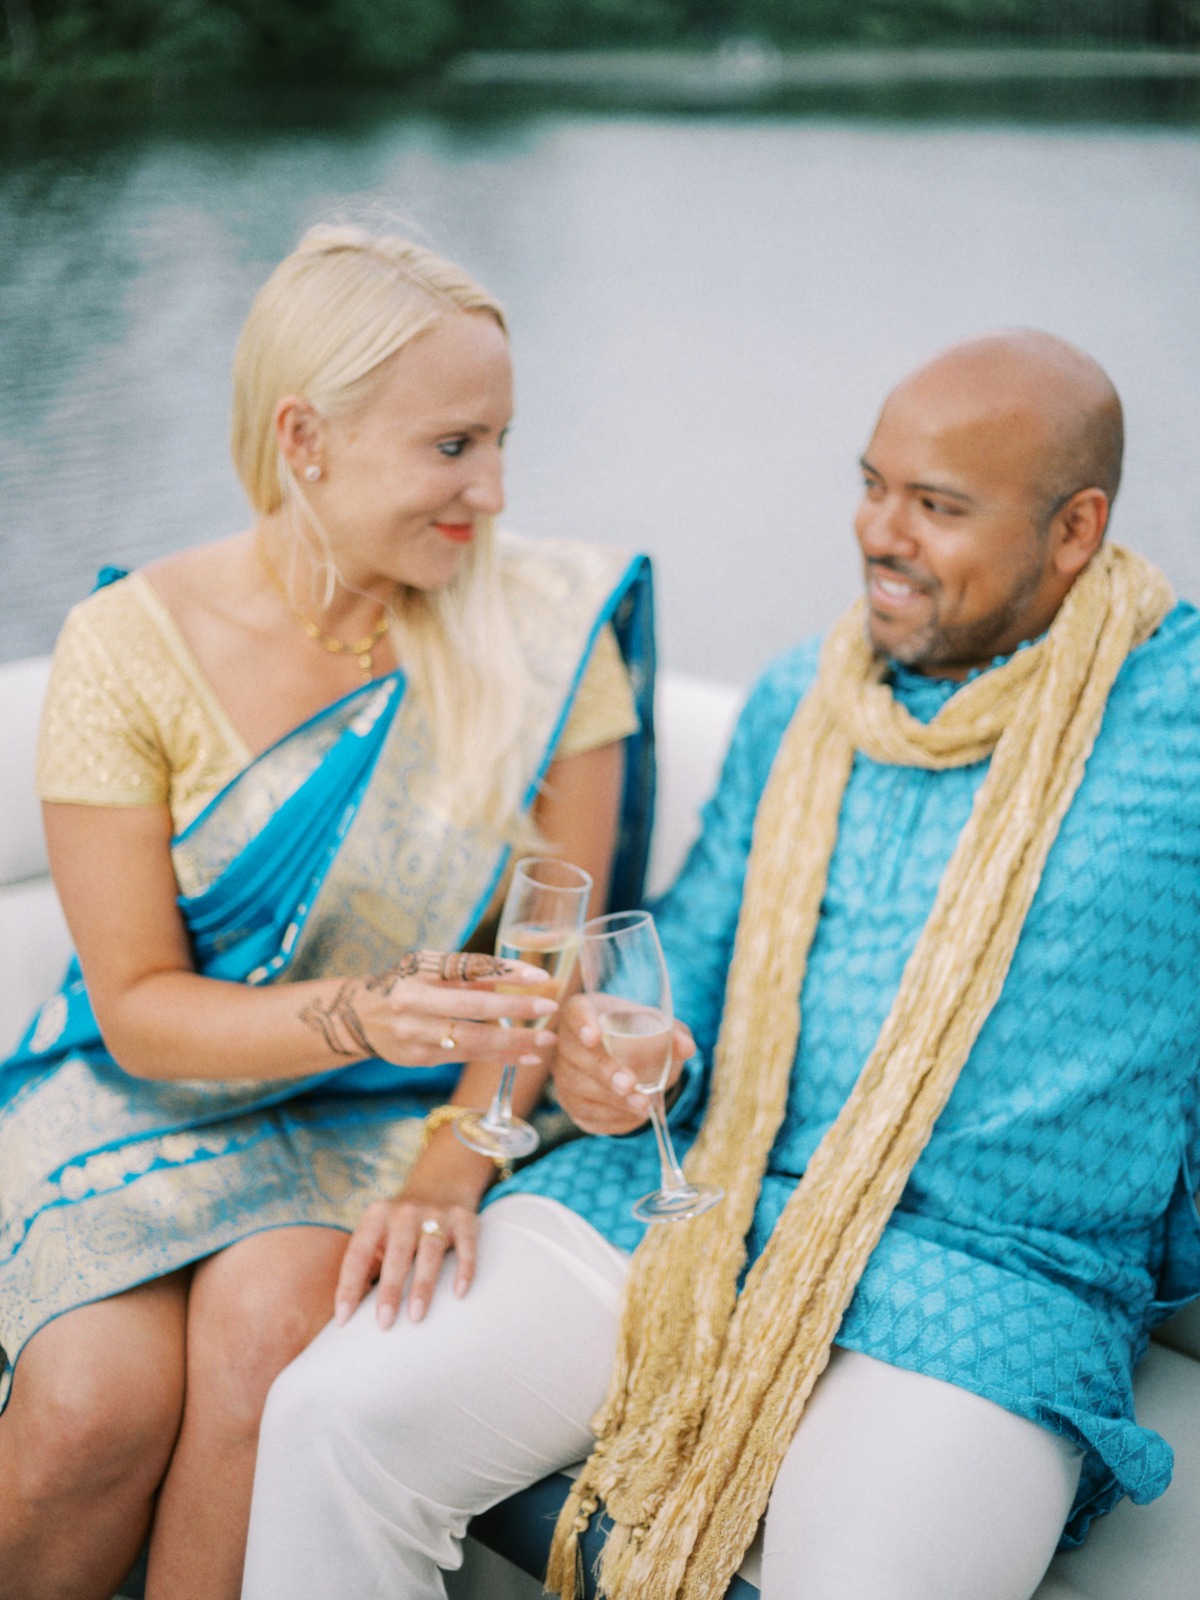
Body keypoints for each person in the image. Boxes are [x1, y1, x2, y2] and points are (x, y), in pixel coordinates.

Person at [243, 329, 1200, 1600]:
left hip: (989, 1276)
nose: (879, 532)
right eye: (871, 485)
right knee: (331, 1418)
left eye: (937, 507)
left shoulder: (1179, 723)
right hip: (704, 1198)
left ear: (1076, 530)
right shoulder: (806, 695)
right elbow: (686, 945)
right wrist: (632, 1051)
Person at [0, 224, 656, 1600]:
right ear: (304, 438)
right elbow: (137, 1011)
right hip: (148, 1086)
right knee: (85, 1414)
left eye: (501, 442)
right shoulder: (132, 647)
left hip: (383, 1116)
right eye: (451, 447)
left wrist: (452, 1166)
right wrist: (361, 1007)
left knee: (262, 1332)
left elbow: (548, 979)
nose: (491, 491)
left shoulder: (548, 635)